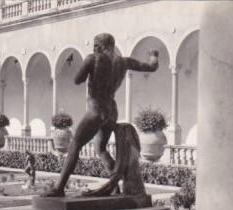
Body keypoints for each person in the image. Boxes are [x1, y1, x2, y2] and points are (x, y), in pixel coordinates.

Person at [43, 33, 159, 197]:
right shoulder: (123, 62)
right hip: (111, 110)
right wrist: (154, 55)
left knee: (75, 145)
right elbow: (151, 67)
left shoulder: (93, 59)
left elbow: (77, 79)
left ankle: (59, 188)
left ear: (101, 45)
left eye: (95, 45)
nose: (94, 48)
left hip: (96, 109)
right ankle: (114, 186)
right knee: (100, 148)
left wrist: (87, 68)